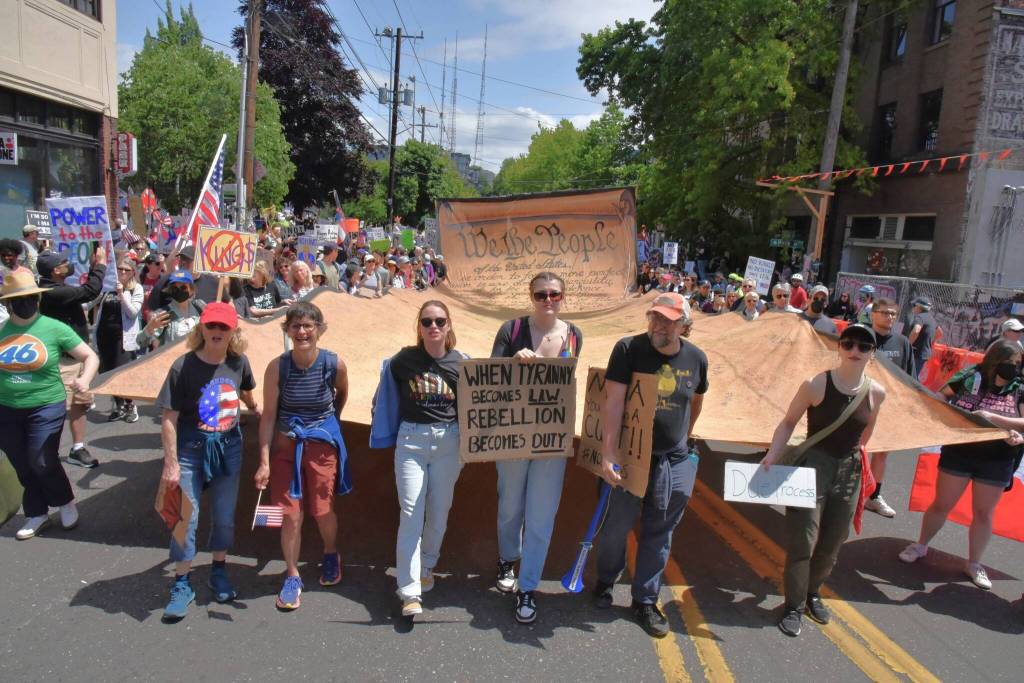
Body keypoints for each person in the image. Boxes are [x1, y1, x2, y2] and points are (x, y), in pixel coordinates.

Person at [593, 293, 707, 638]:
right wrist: (608, 452)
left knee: (659, 533)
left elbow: (697, 401)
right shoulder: (628, 349)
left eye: (669, 320)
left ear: (685, 326)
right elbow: (613, 403)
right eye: (655, 317)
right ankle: (606, 579)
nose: (660, 325)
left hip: (671, 460)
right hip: (631, 456)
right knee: (616, 527)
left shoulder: (697, 358)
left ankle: (645, 600)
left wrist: (686, 444)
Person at [761, 324, 886, 637]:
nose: (855, 351)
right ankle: (793, 605)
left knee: (832, 542)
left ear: (872, 354)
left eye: (864, 346)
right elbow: (788, 422)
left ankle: (812, 593)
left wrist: (856, 463)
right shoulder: (816, 384)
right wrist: (772, 456)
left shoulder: (876, 393)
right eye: (849, 344)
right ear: (839, 348)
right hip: (812, 467)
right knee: (803, 539)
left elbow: (866, 434)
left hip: (849, 471)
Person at [155, 303, 258, 621]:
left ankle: (218, 570)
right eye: (211, 326)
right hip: (191, 451)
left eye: (223, 327)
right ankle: (182, 582)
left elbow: (246, 393)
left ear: (232, 332)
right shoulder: (182, 367)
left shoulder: (239, 363)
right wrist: (170, 463)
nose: (216, 332)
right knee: (187, 519)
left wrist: (259, 410)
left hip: (229, 448)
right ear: (201, 329)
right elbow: (169, 418)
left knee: (225, 517)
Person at [491, 273, 583, 624]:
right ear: (531, 296)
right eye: (541, 294)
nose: (548, 300)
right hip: (513, 435)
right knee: (511, 506)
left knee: (542, 516)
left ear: (563, 296)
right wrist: (513, 360)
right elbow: (487, 378)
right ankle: (506, 558)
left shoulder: (574, 334)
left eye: (554, 294)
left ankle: (528, 587)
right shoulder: (511, 331)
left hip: (551, 439)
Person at [898, 340, 1024, 590]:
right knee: (942, 503)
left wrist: (995, 419)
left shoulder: (1019, 388)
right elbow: (940, 398)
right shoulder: (970, 376)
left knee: (983, 513)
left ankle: (974, 564)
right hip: (959, 452)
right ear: (994, 360)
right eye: (1010, 363)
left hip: (997, 460)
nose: (1014, 368)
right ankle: (920, 545)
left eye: (1018, 364)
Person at [255, 302, 350, 611]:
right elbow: (268, 416)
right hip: (286, 446)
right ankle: (293, 574)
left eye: (309, 325)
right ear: (288, 330)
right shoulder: (277, 367)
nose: (302, 331)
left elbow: (341, 395)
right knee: (289, 513)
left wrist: (326, 425)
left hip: (321, 445)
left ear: (319, 329)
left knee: (322, 509)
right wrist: (264, 460)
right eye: (296, 326)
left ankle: (330, 552)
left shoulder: (334, 364)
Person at [375, 300, 467, 618]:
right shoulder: (403, 360)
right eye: (427, 321)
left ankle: (427, 564)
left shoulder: (461, 363)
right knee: (411, 511)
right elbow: (382, 396)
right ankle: (409, 590)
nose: (433, 327)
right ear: (419, 327)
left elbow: (479, 405)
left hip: (449, 442)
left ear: (449, 325)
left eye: (440, 321)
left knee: (439, 511)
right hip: (411, 440)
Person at [0, 271, 99, 540]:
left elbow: (89, 356)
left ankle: (64, 501)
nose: (25, 303)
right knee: (22, 462)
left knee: (41, 459)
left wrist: (85, 379)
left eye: (30, 297)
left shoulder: (53, 328)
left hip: (45, 405)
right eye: (18, 299)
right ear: (8, 304)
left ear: (38, 299)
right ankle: (36, 512)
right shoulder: (2, 331)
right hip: (7, 408)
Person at [37, 249, 107, 469]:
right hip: (63, 362)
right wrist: (101, 265)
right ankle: (46, 454)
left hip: (78, 359)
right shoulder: (51, 291)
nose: (69, 264)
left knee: (80, 405)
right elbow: (90, 291)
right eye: (65, 262)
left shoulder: (59, 288)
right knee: (57, 410)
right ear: (56, 270)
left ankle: (77, 448)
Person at [863, 298, 914, 519]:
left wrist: (907, 406)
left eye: (893, 314)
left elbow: (909, 378)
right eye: (885, 313)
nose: (890, 317)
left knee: (881, 453)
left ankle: (874, 496)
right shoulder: (861, 337)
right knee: (857, 451)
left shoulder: (903, 342)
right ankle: (851, 494)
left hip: (889, 408)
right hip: (861, 404)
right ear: (873, 314)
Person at [97, 256, 145, 423]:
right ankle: (119, 406)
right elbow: (90, 304)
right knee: (110, 373)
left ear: (133, 272)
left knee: (123, 373)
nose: (122, 272)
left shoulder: (136, 289)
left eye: (126, 269)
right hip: (105, 336)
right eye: (120, 269)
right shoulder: (108, 288)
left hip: (123, 338)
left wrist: (121, 294)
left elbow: (132, 312)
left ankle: (131, 405)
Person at [137, 270, 204, 349]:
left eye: (183, 287)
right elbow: (141, 343)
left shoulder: (200, 308)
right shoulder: (163, 314)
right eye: (175, 288)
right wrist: (150, 328)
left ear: (191, 290)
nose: (179, 291)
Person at [907, 297, 938, 379]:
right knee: (915, 376)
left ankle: (917, 391)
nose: (913, 307)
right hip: (924, 353)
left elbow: (916, 330)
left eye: (914, 305)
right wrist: (929, 342)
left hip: (916, 352)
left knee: (911, 377)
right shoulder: (932, 319)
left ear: (919, 307)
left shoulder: (919, 317)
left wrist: (907, 345)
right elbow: (940, 333)